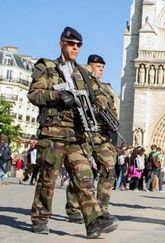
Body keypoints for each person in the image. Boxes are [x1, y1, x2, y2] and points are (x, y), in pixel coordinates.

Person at [27, 26, 117, 238]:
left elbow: (99, 94)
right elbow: (34, 95)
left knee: (84, 178)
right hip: (53, 133)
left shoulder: (83, 73)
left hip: (77, 135)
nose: (75, 48)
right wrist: (57, 97)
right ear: (61, 44)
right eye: (71, 44)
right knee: (48, 177)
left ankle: (93, 222)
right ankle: (40, 218)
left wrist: (98, 105)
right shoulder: (48, 67)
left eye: (78, 45)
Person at [65, 54, 118, 224]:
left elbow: (112, 109)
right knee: (81, 171)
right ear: (89, 66)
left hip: (102, 135)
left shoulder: (106, 87)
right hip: (85, 133)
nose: (101, 70)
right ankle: (73, 207)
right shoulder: (80, 81)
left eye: (103, 67)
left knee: (109, 169)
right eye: (98, 66)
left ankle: (102, 208)